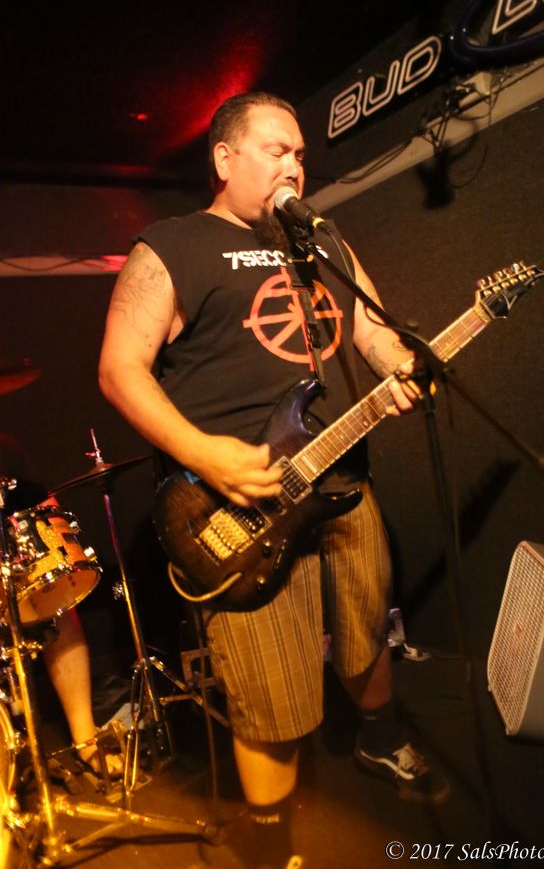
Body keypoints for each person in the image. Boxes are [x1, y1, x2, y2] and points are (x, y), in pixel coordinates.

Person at [99, 92, 449, 869]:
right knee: (270, 689)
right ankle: (273, 846)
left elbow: (373, 332)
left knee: (366, 626)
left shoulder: (322, 241)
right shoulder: (172, 246)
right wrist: (206, 453)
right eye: (275, 150)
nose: (294, 165)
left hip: (342, 479)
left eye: (299, 154)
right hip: (241, 502)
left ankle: (379, 739)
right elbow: (120, 369)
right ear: (225, 159)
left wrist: (400, 366)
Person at [0, 432, 122, 779]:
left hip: (9, 566)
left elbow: (44, 511)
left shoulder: (6, 450)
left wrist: (54, 550)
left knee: (59, 604)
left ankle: (85, 738)